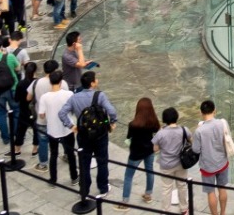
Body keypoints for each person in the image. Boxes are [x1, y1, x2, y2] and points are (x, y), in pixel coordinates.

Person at [59, 72, 118, 201]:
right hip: (100, 135)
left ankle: (84, 189)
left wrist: (71, 126)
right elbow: (112, 111)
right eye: (95, 79)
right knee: (102, 161)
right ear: (92, 83)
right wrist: (113, 122)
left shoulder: (74, 97)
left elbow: (62, 113)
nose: (97, 80)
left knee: (84, 163)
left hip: (83, 135)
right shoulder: (100, 95)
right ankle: (103, 187)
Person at [38, 69, 78, 186]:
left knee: (54, 155)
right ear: (61, 82)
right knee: (71, 154)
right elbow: (74, 110)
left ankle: (53, 179)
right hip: (67, 129)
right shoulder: (69, 94)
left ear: (50, 82)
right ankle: (74, 177)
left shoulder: (45, 97)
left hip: (52, 130)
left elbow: (41, 115)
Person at [120, 98, 160, 210]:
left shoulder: (133, 124)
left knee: (128, 176)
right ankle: (148, 195)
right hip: (149, 151)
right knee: (149, 172)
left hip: (135, 153)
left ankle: (125, 201)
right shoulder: (152, 123)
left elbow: (129, 137)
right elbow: (157, 131)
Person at [152, 107, 190, 214]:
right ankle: (184, 209)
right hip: (181, 163)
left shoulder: (161, 133)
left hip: (166, 165)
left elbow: (155, 149)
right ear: (176, 117)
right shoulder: (184, 130)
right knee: (182, 185)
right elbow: (191, 141)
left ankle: (166, 210)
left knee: (166, 188)